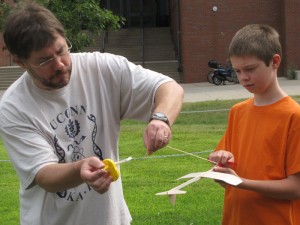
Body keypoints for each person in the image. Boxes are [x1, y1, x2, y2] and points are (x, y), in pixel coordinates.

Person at [0, 2, 183, 225]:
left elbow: (169, 88)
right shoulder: (14, 107)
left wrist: (161, 120)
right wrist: (79, 169)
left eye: (61, 50)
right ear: (20, 62)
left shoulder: (101, 68)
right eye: (45, 60)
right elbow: (44, 175)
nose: (59, 64)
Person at [208, 24, 300, 225]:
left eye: (249, 69)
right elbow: (230, 176)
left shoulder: (294, 116)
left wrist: (241, 182)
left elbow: (296, 188)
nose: (243, 78)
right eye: (237, 71)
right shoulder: (237, 112)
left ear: (275, 61)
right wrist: (222, 164)